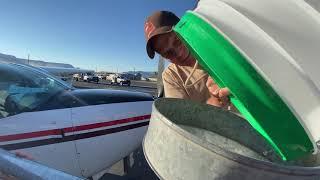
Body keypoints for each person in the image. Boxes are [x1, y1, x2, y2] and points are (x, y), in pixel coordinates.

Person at [144, 11, 230, 109]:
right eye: (168, 53)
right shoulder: (172, 75)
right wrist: (214, 103)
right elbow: (182, 117)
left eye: (177, 41)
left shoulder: (219, 45)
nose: (179, 54)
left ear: (185, 29)